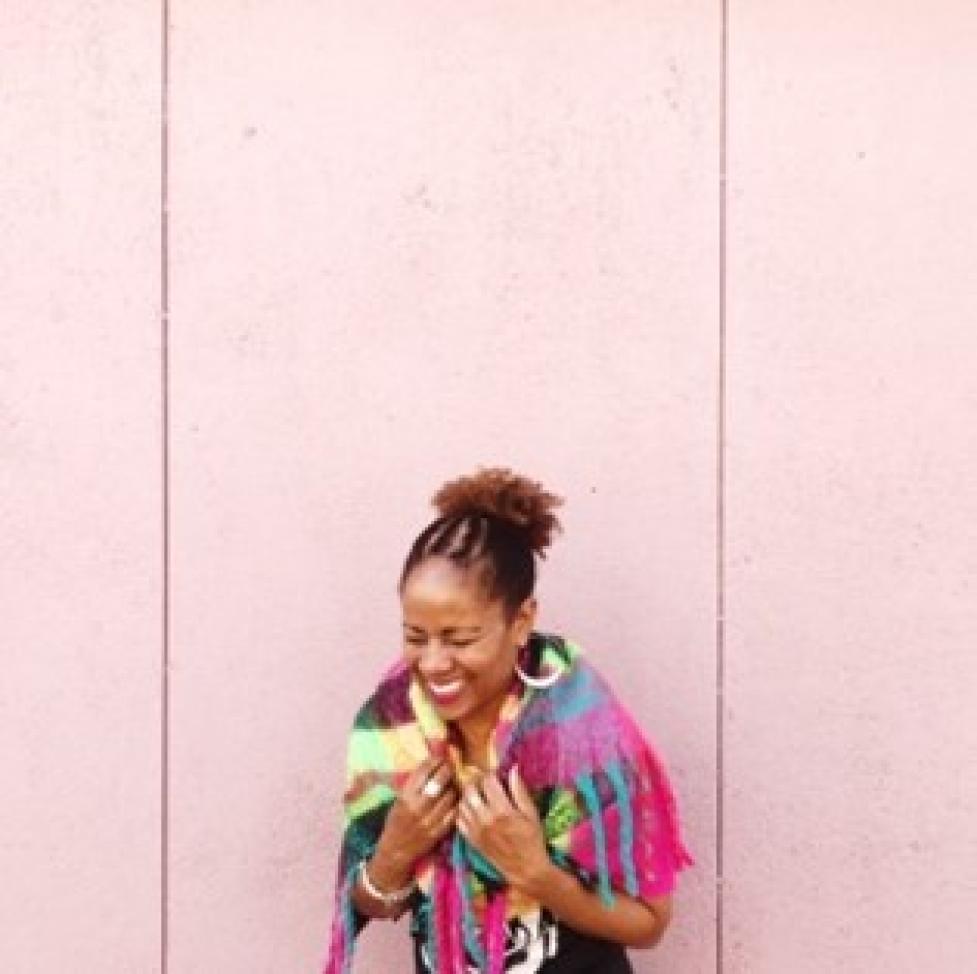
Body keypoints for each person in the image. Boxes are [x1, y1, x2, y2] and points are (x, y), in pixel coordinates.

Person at [323, 468, 694, 973]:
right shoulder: (391, 730)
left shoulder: (582, 737)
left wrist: (536, 873)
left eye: (459, 639)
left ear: (520, 622)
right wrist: (393, 851)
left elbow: (649, 922)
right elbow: (367, 901)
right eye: (415, 636)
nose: (433, 663)